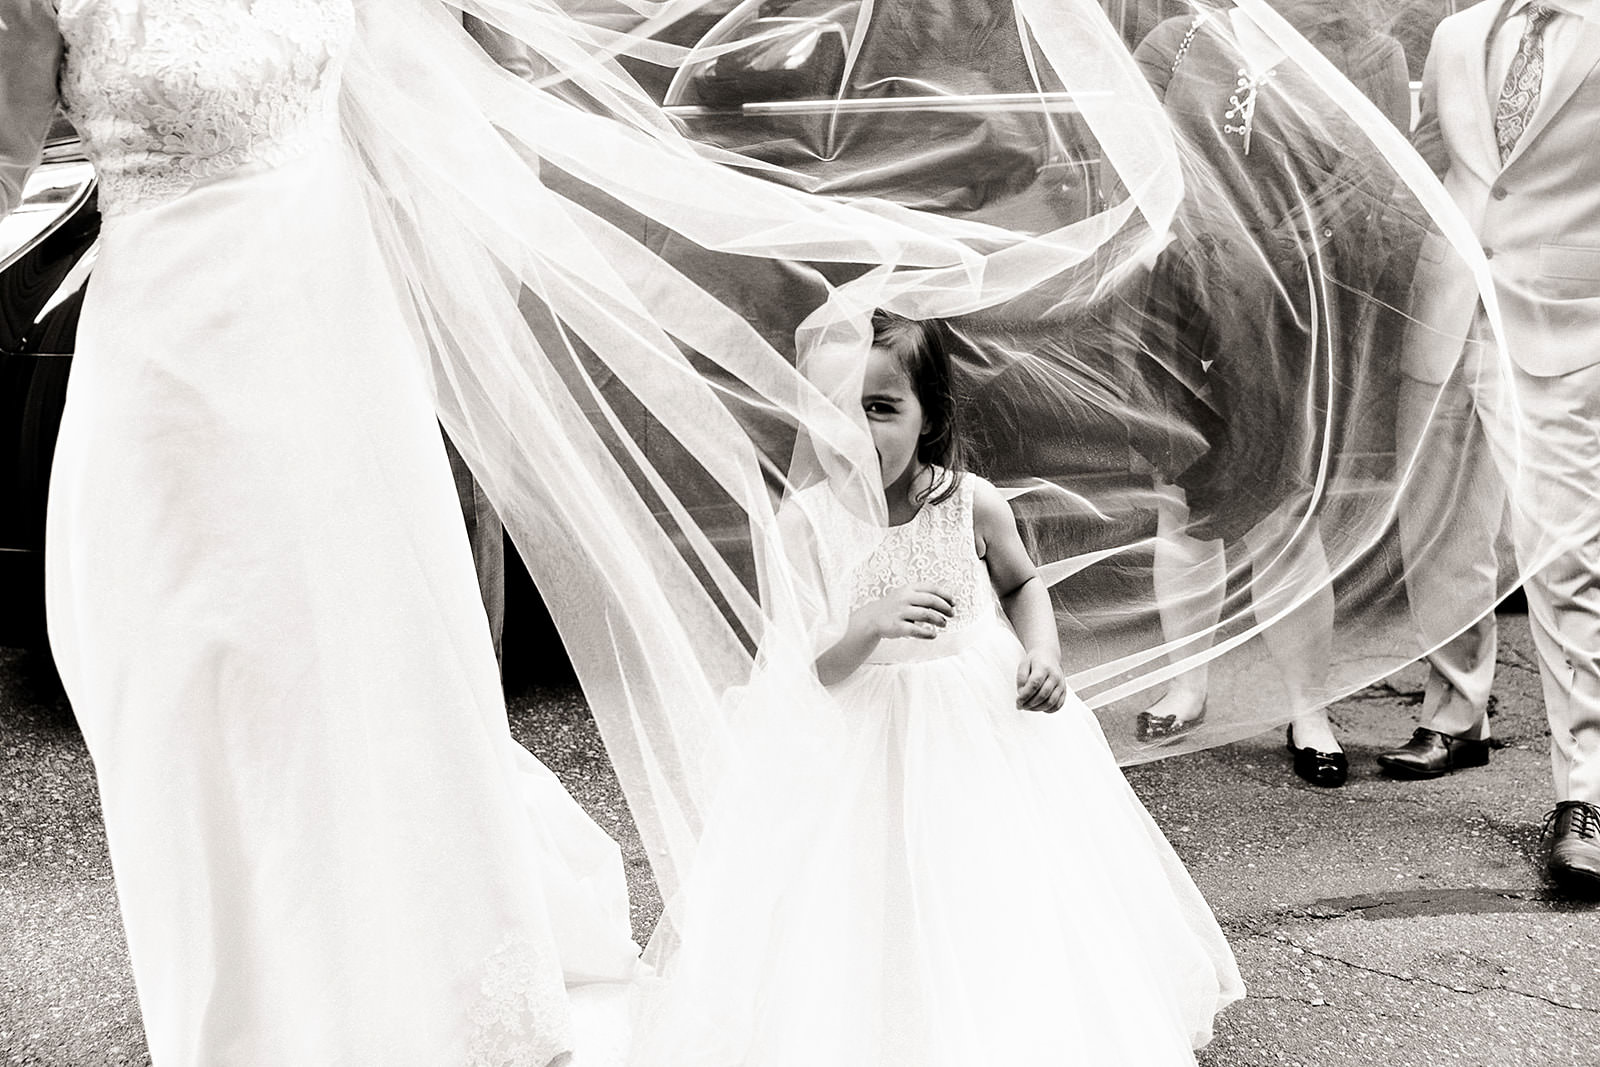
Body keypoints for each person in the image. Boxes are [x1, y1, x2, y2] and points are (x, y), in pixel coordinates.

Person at [0, 2, 644, 1063]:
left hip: (341, 361)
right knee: (211, 697)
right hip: (173, 383)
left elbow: (465, 79)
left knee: (381, 672)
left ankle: (430, 997)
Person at [630, 311, 1243, 1065]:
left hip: (972, 720)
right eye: (833, 412)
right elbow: (805, 666)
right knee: (865, 895)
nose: (855, 432)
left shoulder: (971, 502)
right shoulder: (807, 524)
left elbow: (1022, 583)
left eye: (881, 408)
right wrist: (866, 625)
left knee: (988, 883)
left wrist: (1043, 652)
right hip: (855, 738)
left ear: (930, 417)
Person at [1127, 0, 1412, 786]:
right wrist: (1203, 253)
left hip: (1292, 309)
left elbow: (1374, 184)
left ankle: (1307, 706)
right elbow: (1143, 163)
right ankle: (1187, 681)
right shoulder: (1174, 42)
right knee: (1178, 498)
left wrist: (1269, 261)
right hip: (1181, 299)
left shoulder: (1367, 51)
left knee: (1284, 511)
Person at [1380, 0, 1600, 894]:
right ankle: (1453, 711)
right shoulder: (1459, 34)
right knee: (1439, 526)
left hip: (1566, 322)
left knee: (1566, 555)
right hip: (1444, 310)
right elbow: (1429, 157)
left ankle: (1585, 795)